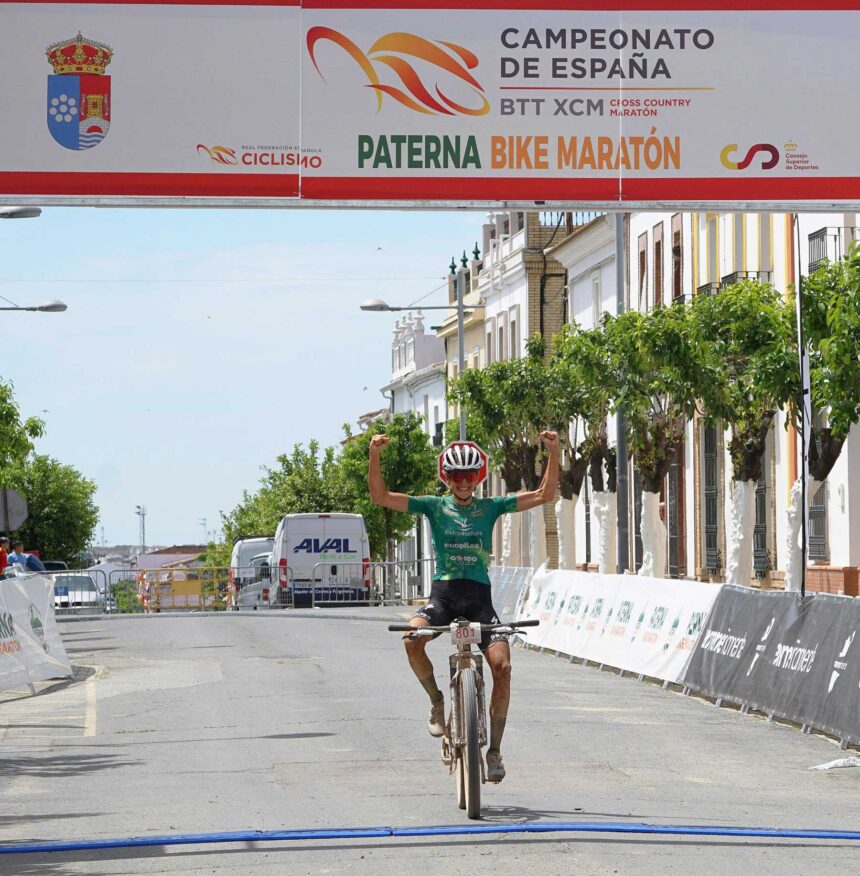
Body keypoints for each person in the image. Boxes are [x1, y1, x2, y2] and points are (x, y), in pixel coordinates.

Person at [368, 430, 559, 783]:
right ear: (447, 477)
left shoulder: (491, 507)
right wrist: (374, 455)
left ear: (478, 476)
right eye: (456, 476)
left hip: (479, 600)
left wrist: (554, 450)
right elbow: (379, 496)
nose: (462, 483)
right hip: (442, 597)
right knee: (411, 639)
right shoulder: (433, 505)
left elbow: (544, 494)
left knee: (502, 666)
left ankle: (495, 751)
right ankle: (437, 701)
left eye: (469, 476)